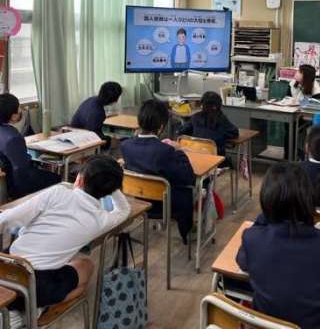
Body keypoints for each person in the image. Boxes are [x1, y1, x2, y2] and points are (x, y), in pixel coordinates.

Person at [0, 155, 130, 310]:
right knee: (87, 266)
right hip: (40, 288)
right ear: (109, 191)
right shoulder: (101, 220)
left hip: (6, 268)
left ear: (80, 179)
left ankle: (27, 307)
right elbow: (124, 210)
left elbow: (5, 219)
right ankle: (42, 307)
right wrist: (111, 185)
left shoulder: (57, 193)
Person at [236, 163, 320, 329]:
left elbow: (242, 262)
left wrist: (265, 217)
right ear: (310, 200)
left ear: (265, 199)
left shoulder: (253, 239)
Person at [121, 99, 195, 243]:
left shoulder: (125, 146)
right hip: (164, 204)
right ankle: (187, 232)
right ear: (161, 127)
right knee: (188, 190)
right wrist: (179, 150)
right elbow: (188, 177)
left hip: (139, 199)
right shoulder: (165, 151)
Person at [0, 93, 60, 198]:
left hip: (8, 179)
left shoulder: (5, 131)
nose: (20, 110)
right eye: (18, 108)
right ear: (13, 115)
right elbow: (22, 167)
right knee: (57, 178)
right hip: (18, 183)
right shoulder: (13, 137)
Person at [177, 91, 239, 158]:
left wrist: (196, 133)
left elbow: (181, 131)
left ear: (202, 104)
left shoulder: (196, 117)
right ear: (218, 105)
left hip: (194, 157)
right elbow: (234, 133)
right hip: (215, 160)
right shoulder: (221, 119)